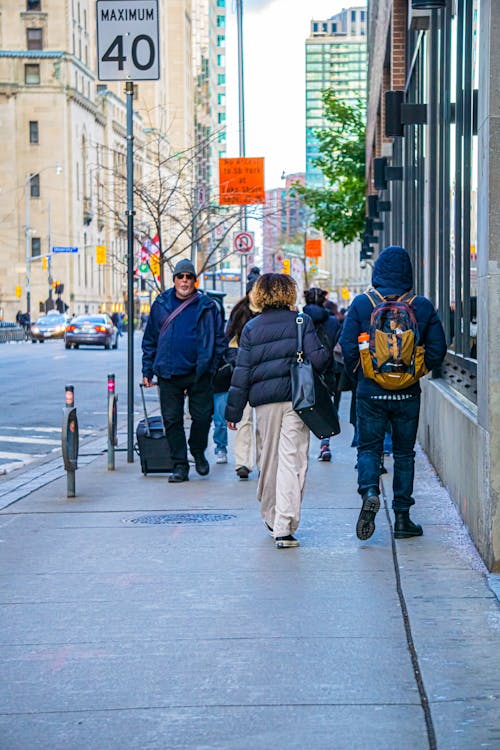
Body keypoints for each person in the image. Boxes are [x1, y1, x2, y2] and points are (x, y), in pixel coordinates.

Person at [340, 245, 447, 540]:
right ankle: (402, 518)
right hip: (407, 394)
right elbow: (439, 349)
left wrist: (362, 374)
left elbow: (347, 345)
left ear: (377, 272)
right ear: (408, 274)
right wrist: (417, 372)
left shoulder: (363, 304)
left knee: (368, 449)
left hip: (370, 392)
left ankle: (370, 492)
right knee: (403, 454)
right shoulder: (421, 305)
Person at [225, 273, 329, 548]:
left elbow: (242, 372)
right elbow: (320, 360)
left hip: (265, 403)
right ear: (289, 293)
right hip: (298, 400)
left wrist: (233, 412)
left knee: (268, 460)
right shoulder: (301, 321)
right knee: (292, 461)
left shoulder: (251, 328)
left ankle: (272, 514)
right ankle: (285, 524)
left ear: (259, 295)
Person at [142, 258, 226, 483]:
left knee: (202, 417)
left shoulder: (207, 306)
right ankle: (179, 465)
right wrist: (147, 370)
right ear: (175, 280)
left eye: (189, 277)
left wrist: (213, 365)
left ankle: (197, 451)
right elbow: (150, 339)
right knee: (172, 420)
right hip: (169, 372)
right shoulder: (161, 304)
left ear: (195, 281)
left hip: (199, 372)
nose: (185, 280)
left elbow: (219, 339)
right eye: (181, 276)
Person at [224, 267, 261, 479]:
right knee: (244, 419)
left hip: (264, 373)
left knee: (264, 423)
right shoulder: (239, 313)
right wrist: (236, 364)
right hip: (244, 371)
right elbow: (229, 343)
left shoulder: (270, 312)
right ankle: (243, 463)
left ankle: (263, 460)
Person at [303, 287, 340, 462]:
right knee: (327, 408)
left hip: (304, 370)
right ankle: (325, 444)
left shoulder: (299, 320)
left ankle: (301, 448)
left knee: (302, 407)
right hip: (328, 369)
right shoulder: (333, 322)